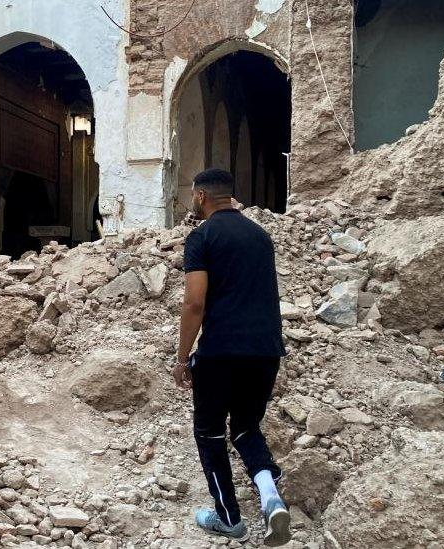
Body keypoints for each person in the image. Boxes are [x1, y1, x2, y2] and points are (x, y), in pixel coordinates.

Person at [173, 168, 291, 545]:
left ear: (202, 195)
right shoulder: (260, 236)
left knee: (208, 431)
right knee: (244, 427)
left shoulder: (202, 237)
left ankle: (229, 518)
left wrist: (181, 356)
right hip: (265, 351)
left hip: (221, 352)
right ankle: (270, 497)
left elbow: (194, 302)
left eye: (194, 195)